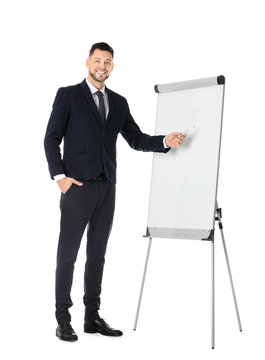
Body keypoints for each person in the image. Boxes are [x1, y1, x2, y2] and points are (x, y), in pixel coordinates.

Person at [44, 42, 186, 342]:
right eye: (97, 60)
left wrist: (164, 141)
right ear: (87, 62)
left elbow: (135, 138)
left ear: (112, 66)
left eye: (107, 62)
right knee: (67, 256)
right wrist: (60, 178)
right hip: (77, 187)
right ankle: (63, 319)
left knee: (97, 255)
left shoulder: (118, 102)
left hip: (107, 187)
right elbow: (51, 138)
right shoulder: (68, 95)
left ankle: (92, 318)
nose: (102, 66)